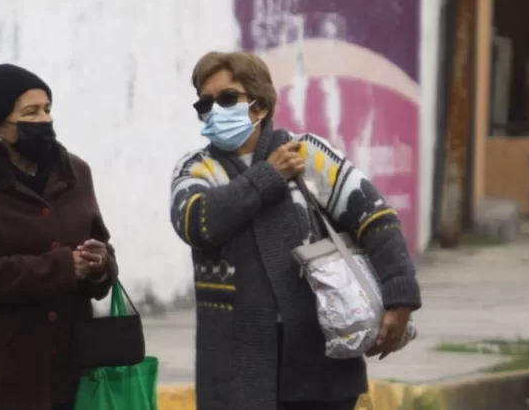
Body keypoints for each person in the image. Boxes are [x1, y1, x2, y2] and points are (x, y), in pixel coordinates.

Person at [169, 51, 421, 410]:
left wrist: (400, 298)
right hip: (234, 366)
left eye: (227, 99)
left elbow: (374, 216)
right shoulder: (197, 168)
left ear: (260, 106)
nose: (215, 111)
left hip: (319, 362)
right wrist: (268, 176)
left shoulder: (306, 153)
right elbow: (197, 222)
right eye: (205, 104)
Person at [0, 64, 118, 410]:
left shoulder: (75, 172)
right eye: (30, 113)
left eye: (47, 109)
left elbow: (100, 246)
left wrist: (99, 265)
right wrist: (62, 267)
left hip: (70, 371)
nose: (44, 120)